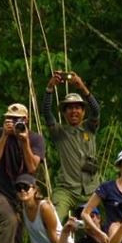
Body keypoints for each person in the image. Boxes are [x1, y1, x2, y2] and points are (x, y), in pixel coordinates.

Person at [0, 102, 45, 243]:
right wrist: (5, 136)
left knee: (27, 226)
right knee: (10, 221)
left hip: (22, 192)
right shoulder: (1, 133)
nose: (13, 123)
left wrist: (24, 141)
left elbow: (32, 167)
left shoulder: (35, 139)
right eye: (9, 119)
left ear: (26, 120)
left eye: (16, 119)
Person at [42, 71, 101, 220]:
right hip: (67, 189)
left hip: (91, 191)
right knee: (53, 219)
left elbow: (96, 110)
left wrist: (82, 87)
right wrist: (49, 88)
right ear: (64, 112)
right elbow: (47, 113)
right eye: (69, 108)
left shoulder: (90, 128)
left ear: (83, 111)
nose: (74, 111)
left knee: (95, 226)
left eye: (78, 108)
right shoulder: (59, 132)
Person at [15, 174, 68, 243]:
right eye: (18, 188)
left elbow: (54, 238)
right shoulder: (23, 208)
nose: (22, 190)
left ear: (34, 189)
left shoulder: (44, 208)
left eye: (25, 187)